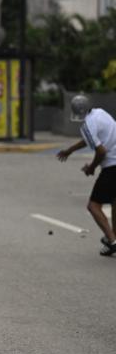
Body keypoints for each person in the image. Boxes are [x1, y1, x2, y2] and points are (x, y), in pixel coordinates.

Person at [57, 94, 116, 256]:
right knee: (113, 201)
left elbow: (101, 151)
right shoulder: (100, 113)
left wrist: (91, 168)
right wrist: (70, 150)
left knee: (93, 206)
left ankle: (112, 241)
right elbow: (91, 140)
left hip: (112, 167)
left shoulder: (87, 126)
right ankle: (114, 239)